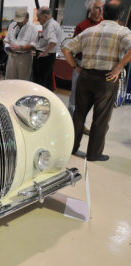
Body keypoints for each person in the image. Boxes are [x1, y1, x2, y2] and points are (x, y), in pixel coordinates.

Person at [62, 0, 131, 161]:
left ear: (103, 12)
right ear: (121, 14)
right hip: (107, 78)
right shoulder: (122, 32)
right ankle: (94, 154)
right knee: (101, 118)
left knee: (79, 114)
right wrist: (119, 66)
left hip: (85, 76)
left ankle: (72, 147)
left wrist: (75, 67)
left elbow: (66, 48)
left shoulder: (88, 31)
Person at [68, 0, 104, 122]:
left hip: (99, 68)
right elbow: (70, 48)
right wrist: (75, 67)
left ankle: (81, 124)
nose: (100, 11)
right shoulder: (82, 26)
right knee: (75, 97)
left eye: (102, 8)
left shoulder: (105, 25)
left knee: (91, 99)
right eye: (97, 8)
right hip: (82, 65)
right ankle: (71, 123)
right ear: (90, 9)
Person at [33, 7, 63, 91]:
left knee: (40, 81)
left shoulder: (50, 25)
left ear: (45, 16)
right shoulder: (53, 24)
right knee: (47, 81)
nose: (38, 20)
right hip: (49, 56)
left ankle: (40, 99)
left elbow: (53, 41)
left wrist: (45, 53)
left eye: (39, 17)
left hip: (45, 57)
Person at [4, 8, 38, 80]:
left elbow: (34, 45)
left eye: (21, 20)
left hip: (25, 57)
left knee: (23, 80)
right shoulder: (12, 25)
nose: (18, 22)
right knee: (9, 79)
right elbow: (6, 39)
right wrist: (7, 46)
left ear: (27, 18)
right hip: (12, 56)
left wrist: (20, 48)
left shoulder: (33, 28)